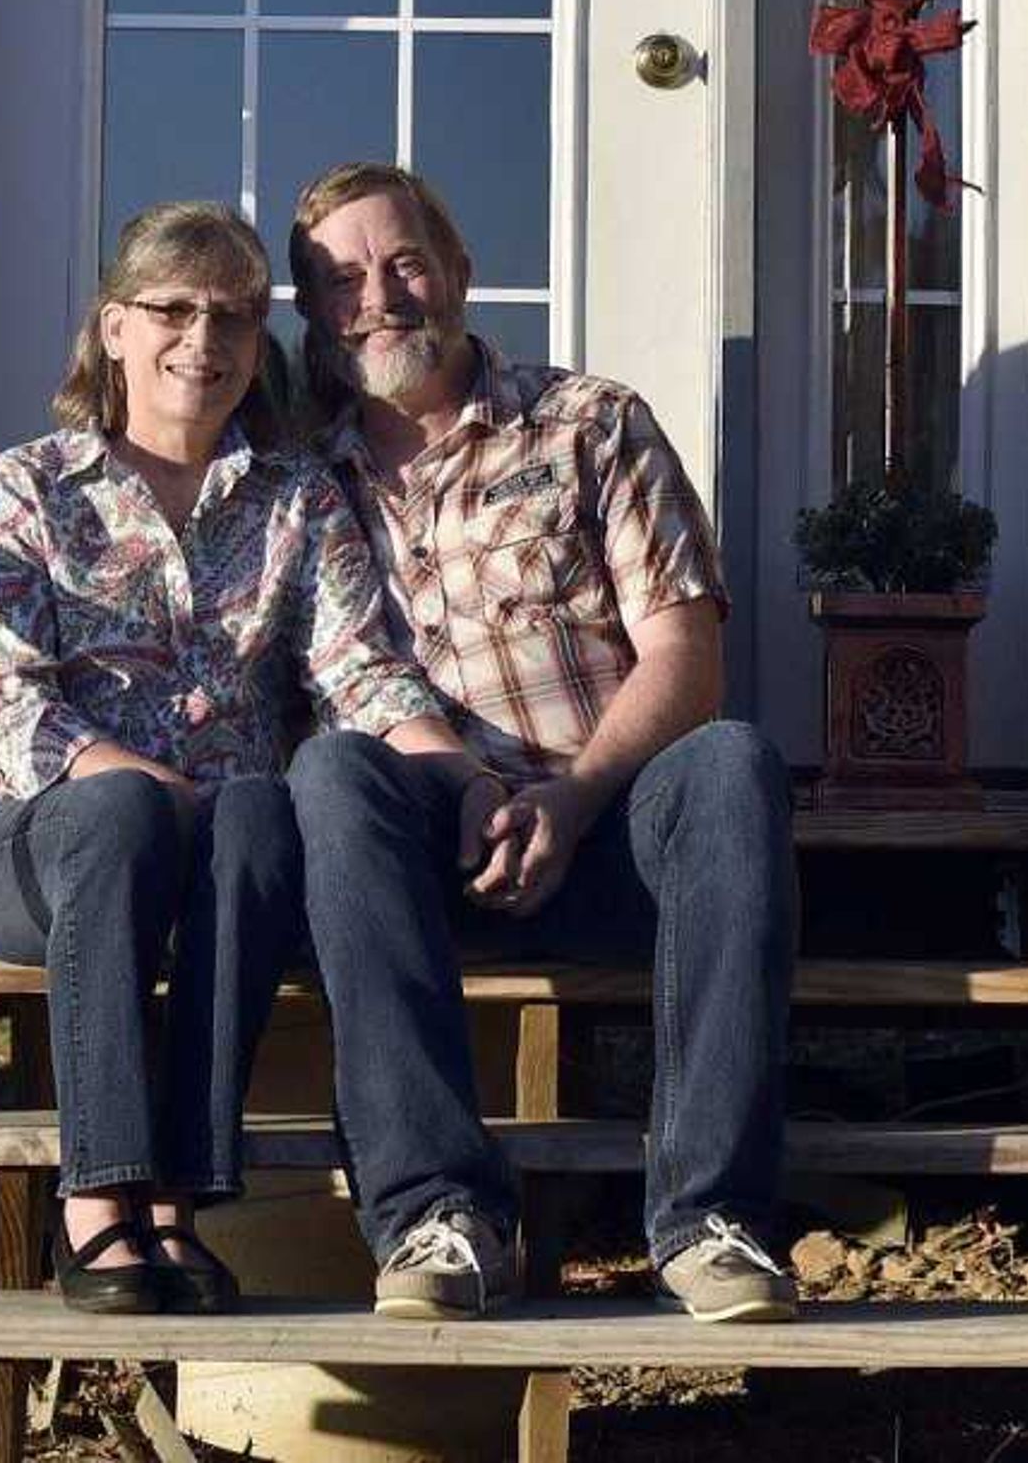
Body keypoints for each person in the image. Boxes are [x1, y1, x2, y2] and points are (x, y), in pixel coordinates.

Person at [0, 199, 482, 1315]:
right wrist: (148, 786)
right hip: (21, 849)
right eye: (172, 309)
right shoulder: (26, 485)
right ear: (113, 328)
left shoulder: (295, 499)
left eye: (234, 314)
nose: (204, 338)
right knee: (128, 812)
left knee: (256, 812)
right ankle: (98, 1204)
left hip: (222, 859)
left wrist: (466, 777)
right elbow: (8, 698)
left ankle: (178, 1204)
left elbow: (356, 669)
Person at [281, 161, 801, 1325]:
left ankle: (715, 1220)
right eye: (342, 278)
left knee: (731, 764)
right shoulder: (302, 483)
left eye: (403, 261)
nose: (381, 295)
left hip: (611, 826)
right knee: (329, 771)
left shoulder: (590, 423)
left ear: (457, 267)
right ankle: (435, 1214)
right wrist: (464, 790)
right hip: (417, 855)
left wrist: (572, 796)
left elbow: (687, 653)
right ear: (314, 314)